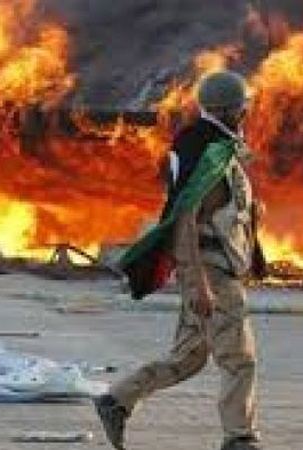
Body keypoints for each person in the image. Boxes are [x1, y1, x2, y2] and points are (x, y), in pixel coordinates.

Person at [94, 70, 266, 450]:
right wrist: (198, 283)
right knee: (240, 359)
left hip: (213, 269)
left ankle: (117, 400)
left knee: (187, 358)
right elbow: (184, 219)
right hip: (211, 272)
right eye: (243, 108)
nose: (247, 113)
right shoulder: (209, 153)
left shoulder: (210, 146)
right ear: (230, 110)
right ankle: (240, 438)